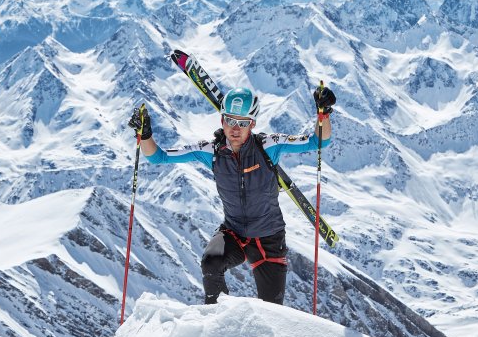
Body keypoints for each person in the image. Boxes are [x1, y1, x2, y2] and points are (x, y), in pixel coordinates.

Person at [128, 85, 336, 305]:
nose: (235, 128)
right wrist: (145, 135)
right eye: (230, 121)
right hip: (234, 233)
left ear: (252, 124)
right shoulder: (212, 152)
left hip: (269, 239)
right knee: (211, 263)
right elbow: (158, 157)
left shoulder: (268, 146)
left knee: (272, 310)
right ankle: (217, 321)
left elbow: (318, 141)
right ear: (222, 121)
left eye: (243, 123)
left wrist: (324, 113)